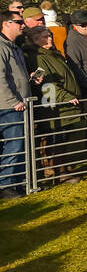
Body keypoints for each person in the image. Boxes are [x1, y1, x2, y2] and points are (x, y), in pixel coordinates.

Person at [0, 12, 32, 196]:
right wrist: (13, 101)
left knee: (20, 145)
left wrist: (29, 80)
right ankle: (5, 185)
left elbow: (14, 76)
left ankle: (18, 182)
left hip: (20, 104)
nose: (22, 25)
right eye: (19, 22)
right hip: (9, 106)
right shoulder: (1, 47)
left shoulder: (14, 47)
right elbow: (0, 78)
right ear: (6, 23)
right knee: (14, 145)